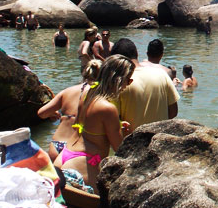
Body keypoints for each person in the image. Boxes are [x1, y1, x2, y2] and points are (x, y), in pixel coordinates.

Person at [53, 55, 133, 193]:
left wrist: (115, 124)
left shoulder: (86, 94)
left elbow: (88, 125)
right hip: (84, 166)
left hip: (64, 157)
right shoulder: (108, 108)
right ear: (119, 79)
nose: (129, 84)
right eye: (129, 79)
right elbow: (119, 148)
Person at [38, 59, 102, 161]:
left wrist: (54, 113)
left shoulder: (67, 91)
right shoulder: (99, 96)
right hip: (74, 148)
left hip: (56, 144)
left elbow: (42, 113)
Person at [110, 38, 178, 130]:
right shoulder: (162, 74)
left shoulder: (120, 82)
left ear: (117, 59)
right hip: (158, 139)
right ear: (136, 53)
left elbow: (111, 119)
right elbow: (173, 112)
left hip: (130, 141)